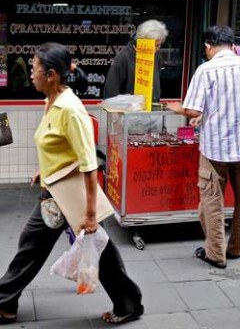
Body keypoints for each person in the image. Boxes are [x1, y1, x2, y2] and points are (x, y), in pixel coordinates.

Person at [0, 42, 143, 325]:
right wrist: (45, 168)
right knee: (93, 249)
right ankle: (129, 302)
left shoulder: (70, 109)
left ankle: (4, 305)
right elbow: (61, 147)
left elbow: (90, 164)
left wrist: (90, 215)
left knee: (34, 247)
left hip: (69, 195)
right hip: (57, 187)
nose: (30, 74)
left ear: (51, 74)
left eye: (34, 69)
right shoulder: (51, 99)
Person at [167, 25, 240, 269]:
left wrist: (178, 108)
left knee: (212, 201)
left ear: (208, 47)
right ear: (231, 44)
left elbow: (194, 110)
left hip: (216, 148)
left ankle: (215, 254)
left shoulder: (207, 70)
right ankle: (236, 248)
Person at [103, 19, 168, 101]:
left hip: (151, 109)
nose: (156, 50)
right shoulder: (123, 57)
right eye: (154, 45)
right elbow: (110, 93)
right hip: (128, 111)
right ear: (143, 41)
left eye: (159, 45)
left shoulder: (155, 56)